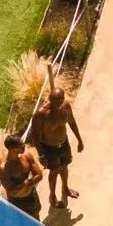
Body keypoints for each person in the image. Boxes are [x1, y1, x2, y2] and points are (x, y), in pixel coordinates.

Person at [27, 80, 84, 209]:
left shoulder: (66, 107)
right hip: (49, 148)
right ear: (49, 99)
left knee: (64, 167)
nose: (58, 104)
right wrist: (41, 155)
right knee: (54, 171)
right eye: (55, 101)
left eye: (61, 100)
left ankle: (66, 189)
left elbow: (72, 123)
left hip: (63, 143)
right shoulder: (41, 114)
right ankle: (52, 196)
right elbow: (35, 136)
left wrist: (80, 140)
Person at [0, 133, 46, 218]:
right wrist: (27, 183)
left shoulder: (27, 156)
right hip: (17, 202)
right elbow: (11, 190)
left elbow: (39, 175)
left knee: (36, 217)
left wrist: (27, 183)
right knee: (23, 223)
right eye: (21, 145)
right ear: (13, 149)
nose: (24, 146)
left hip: (31, 195)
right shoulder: (4, 168)